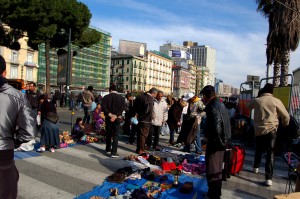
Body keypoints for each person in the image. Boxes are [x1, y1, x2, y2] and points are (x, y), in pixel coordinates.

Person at [0, 55, 36, 199]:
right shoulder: (17, 96)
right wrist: (12, 140)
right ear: (4, 72)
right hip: (3, 153)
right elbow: (28, 132)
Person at [248, 83, 289, 186]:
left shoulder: (257, 100)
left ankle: (256, 167)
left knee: (258, 149)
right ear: (272, 92)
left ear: (263, 90)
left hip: (259, 130)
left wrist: (258, 97)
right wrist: (284, 124)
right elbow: (286, 116)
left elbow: (248, 106)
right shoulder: (276, 101)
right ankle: (268, 178)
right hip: (272, 130)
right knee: (270, 153)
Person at [201, 85, 231, 199]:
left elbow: (216, 127)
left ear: (206, 96)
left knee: (212, 170)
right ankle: (214, 193)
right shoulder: (220, 103)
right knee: (217, 169)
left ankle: (213, 195)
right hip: (221, 142)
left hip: (216, 143)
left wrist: (211, 139)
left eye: (203, 96)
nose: (202, 99)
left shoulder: (212, 106)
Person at [101, 84, 126, 158]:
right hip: (117, 118)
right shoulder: (121, 98)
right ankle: (114, 152)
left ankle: (108, 148)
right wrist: (115, 116)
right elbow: (122, 108)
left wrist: (110, 115)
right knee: (115, 135)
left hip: (108, 118)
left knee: (108, 134)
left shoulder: (106, 97)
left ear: (110, 90)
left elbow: (103, 107)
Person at [134, 87, 157, 154]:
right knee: (143, 135)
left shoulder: (140, 97)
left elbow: (135, 107)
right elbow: (148, 110)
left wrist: (138, 115)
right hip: (146, 119)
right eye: (155, 94)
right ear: (153, 93)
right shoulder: (150, 99)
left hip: (139, 119)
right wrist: (147, 115)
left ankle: (138, 148)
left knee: (139, 134)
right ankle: (141, 149)